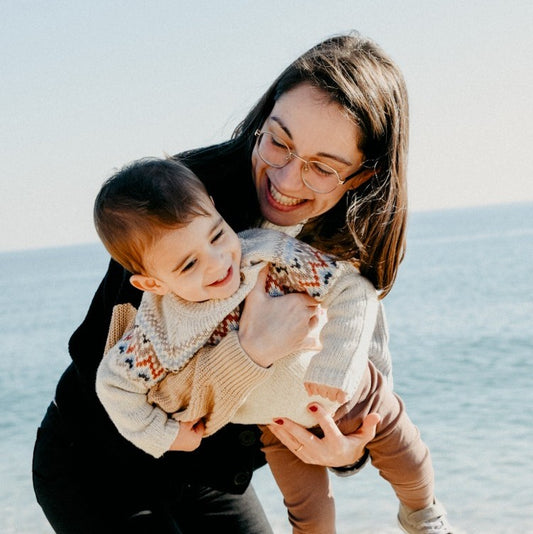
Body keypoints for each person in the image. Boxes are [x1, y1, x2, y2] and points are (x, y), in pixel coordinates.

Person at [31, 31, 447, 533]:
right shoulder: (177, 205)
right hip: (98, 462)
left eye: (322, 168)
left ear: (361, 176)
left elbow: (358, 358)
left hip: (211, 474)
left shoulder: (350, 233)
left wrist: (347, 447)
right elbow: (129, 383)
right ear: (264, 115)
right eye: (279, 141)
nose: (288, 179)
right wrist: (251, 350)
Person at [93, 156, 454, 534]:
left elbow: (350, 288)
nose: (217, 263)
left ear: (217, 211)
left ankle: (424, 516)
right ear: (153, 285)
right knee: (308, 513)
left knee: (408, 460)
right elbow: (115, 386)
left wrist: (339, 361)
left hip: (357, 393)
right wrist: (166, 435)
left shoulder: (266, 252)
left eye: (216, 235)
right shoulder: (159, 330)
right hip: (280, 429)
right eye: (188, 265)